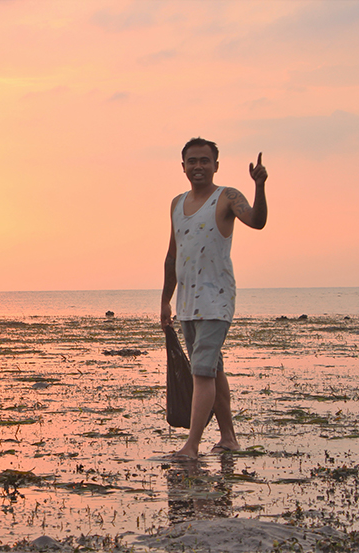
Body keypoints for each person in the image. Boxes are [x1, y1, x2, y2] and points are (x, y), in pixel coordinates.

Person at [160, 137, 268, 459]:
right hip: (187, 303)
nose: (198, 167)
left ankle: (191, 446)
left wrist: (260, 186)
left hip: (216, 300)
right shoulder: (176, 204)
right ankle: (229, 438)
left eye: (204, 161)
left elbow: (257, 221)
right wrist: (166, 299)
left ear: (216, 165)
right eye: (192, 161)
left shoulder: (227, 197)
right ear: (183, 166)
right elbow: (172, 255)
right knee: (212, 369)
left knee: (202, 371)